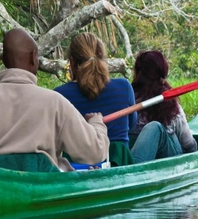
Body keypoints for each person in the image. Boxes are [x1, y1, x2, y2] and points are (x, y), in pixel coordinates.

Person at [0, 28, 109, 172]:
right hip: (41, 191)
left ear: (4, 60)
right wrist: (97, 123)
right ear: (33, 58)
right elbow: (93, 153)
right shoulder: (54, 102)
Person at [54, 32, 137, 166]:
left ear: (72, 62)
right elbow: (131, 125)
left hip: (76, 170)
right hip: (118, 165)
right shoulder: (124, 87)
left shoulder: (59, 96)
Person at [129, 50, 197, 163]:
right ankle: (133, 168)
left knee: (158, 129)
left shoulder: (128, 96)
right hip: (139, 154)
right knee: (155, 128)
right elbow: (189, 145)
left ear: (137, 72)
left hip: (163, 151)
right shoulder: (170, 104)